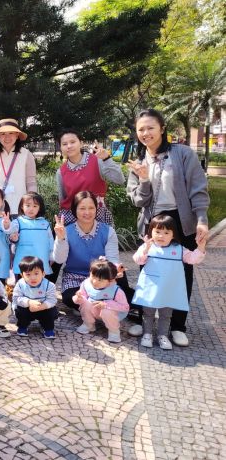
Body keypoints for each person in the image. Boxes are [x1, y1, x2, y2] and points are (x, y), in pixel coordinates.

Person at [126, 108, 209, 347]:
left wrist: (201, 219)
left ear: (162, 128)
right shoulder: (138, 162)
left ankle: (178, 326)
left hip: (181, 221)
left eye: (150, 127)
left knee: (182, 273)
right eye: (141, 129)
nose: (145, 133)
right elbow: (138, 201)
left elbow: (198, 188)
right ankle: (144, 320)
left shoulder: (182, 154)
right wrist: (143, 179)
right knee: (147, 272)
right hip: (152, 222)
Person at [132, 214, 206, 350]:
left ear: (173, 234)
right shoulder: (147, 247)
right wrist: (146, 249)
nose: (161, 236)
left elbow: (193, 258)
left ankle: (162, 335)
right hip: (150, 288)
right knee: (148, 312)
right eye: (157, 232)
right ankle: (147, 334)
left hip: (168, 289)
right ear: (151, 232)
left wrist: (200, 247)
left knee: (166, 315)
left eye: (166, 232)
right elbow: (138, 260)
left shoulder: (179, 249)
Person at [52, 191, 127, 310]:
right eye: (82, 208)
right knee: (70, 298)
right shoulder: (65, 231)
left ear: (96, 209)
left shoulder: (108, 231)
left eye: (91, 208)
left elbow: (112, 259)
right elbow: (59, 259)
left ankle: (94, 306)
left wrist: (116, 269)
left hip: (101, 276)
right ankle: (99, 306)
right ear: (74, 210)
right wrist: (61, 239)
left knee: (122, 287)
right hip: (74, 277)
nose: (87, 212)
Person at [56, 129, 125, 225]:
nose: (69, 146)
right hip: (72, 218)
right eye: (64, 144)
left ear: (81, 143)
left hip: (98, 216)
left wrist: (107, 159)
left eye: (72, 142)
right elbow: (63, 199)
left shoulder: (97, 161)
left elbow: (120, 179)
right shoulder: (61, 172)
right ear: (61, 147)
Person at [0, 118, 37, 214]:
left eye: (11, 133)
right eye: (3, 134)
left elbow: (31, 182)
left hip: (21, 207)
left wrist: (31, 203)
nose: (7, 137)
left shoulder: (26, 154)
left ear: (17, 135)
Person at [73, 259, 129, 343]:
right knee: (85, 303)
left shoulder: (116, 290)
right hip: (95, 310)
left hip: (113, 313)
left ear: (110, 280)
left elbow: (125, 307)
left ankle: (114, 331)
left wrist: (106, 304)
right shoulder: (86, 284)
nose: (95, 281)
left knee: (107, 311)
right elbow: (83, 297)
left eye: (100, 280)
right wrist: (78, 298)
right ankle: (88, 324)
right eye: (93, 276)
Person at [4, 192, 54, 278]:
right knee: (22, 286)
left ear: (39, 208)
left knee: (41, 286)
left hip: (41, 263)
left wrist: (52, 257)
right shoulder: (18, 222)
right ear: (22, 207)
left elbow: (51, 241)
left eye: (35, 206)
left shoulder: (45, 224)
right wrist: (7, 226)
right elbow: (10, 231)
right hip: (23, 264)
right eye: (28, 205)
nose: (31, 209)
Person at [12, 256, 58, 339]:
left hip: (43, 308)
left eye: (36, 273)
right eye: (28, 274)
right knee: (20, 310)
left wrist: (42, 306)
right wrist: (29, 302)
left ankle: (48, 328)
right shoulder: (20, 284)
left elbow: (52, 300)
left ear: (43, 274)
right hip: (26, 308)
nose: (33, 278)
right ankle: (23, 326)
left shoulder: (49, 285)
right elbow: (16, 298)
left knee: (51, 311)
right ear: (22, 275)